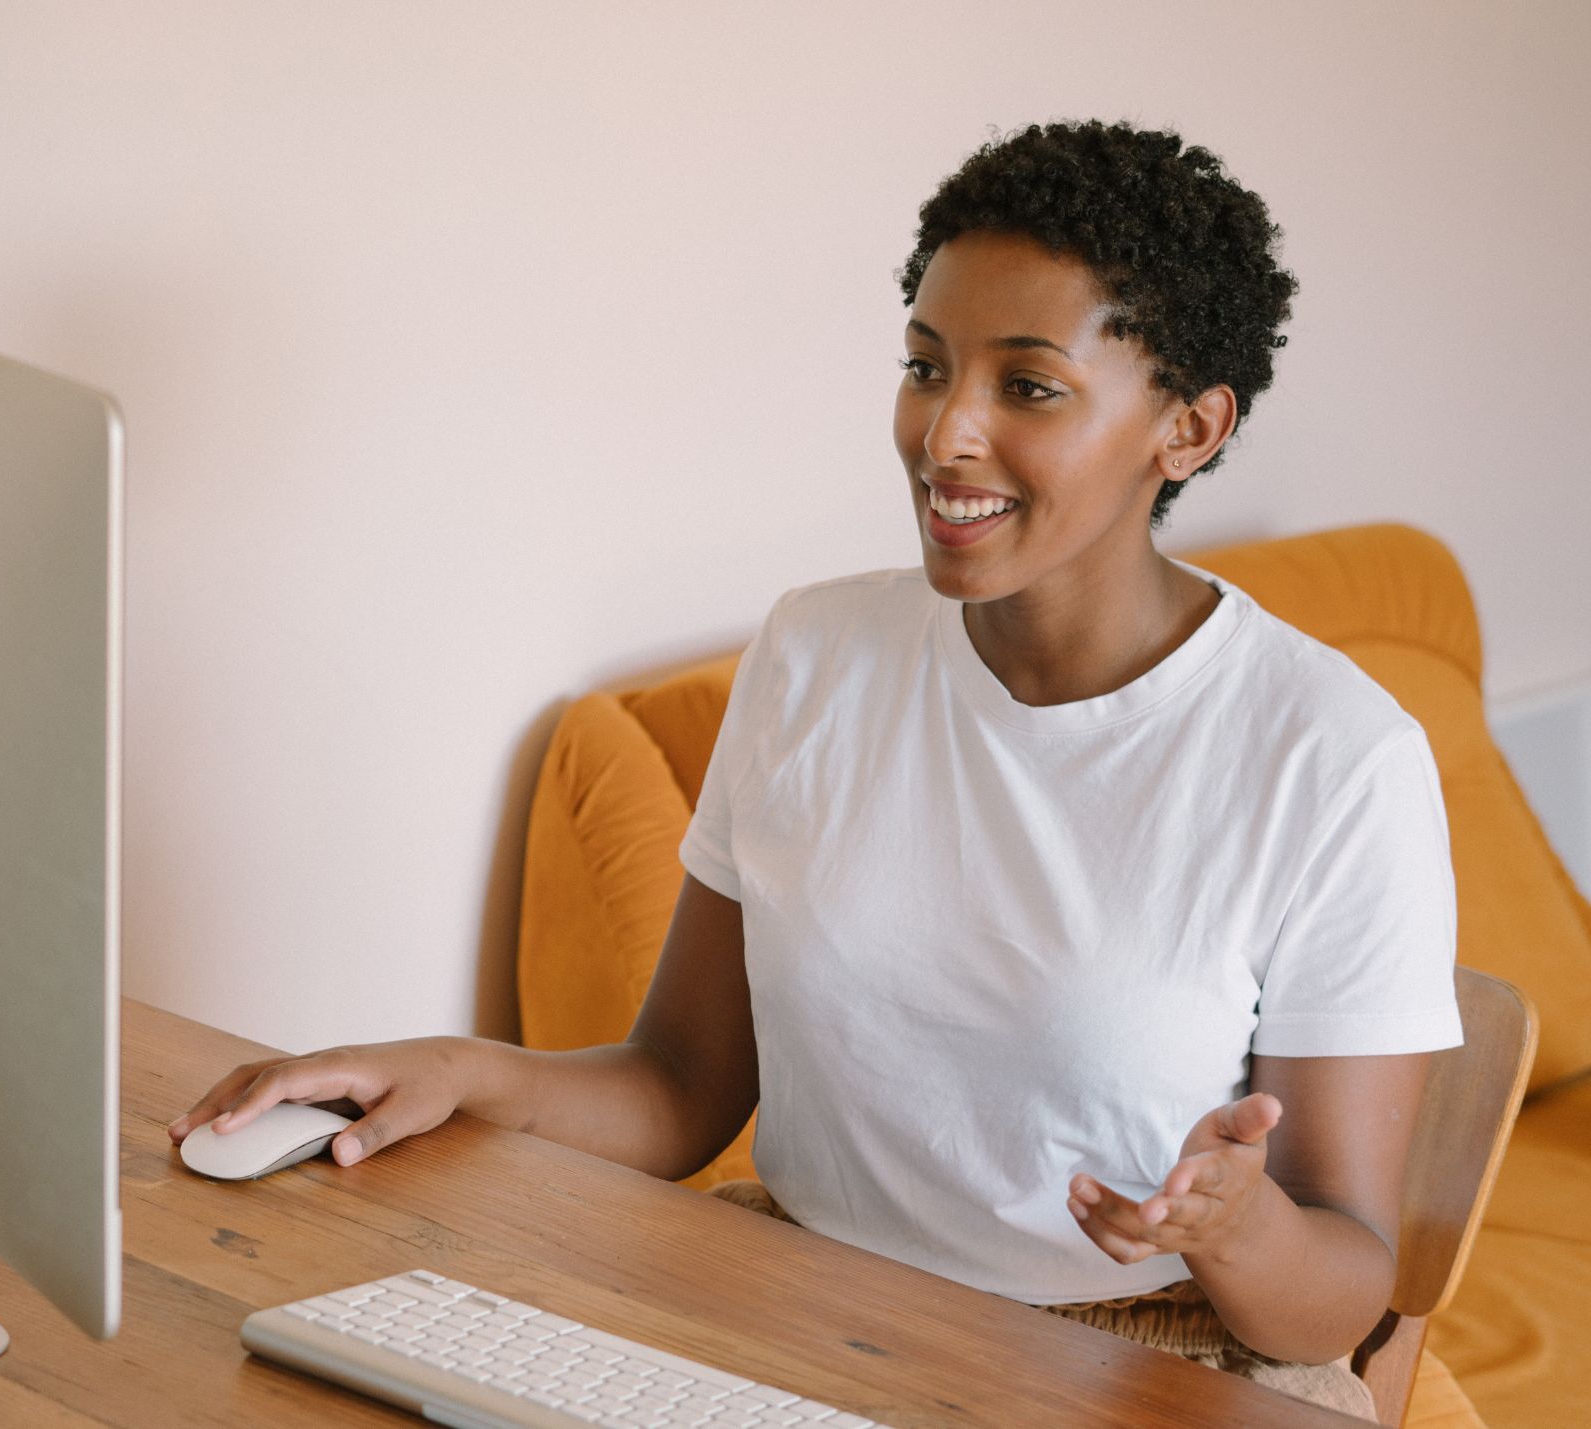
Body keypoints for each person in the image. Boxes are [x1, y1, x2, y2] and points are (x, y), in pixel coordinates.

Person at [171, 120, 1461, 1416]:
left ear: (1187, 428)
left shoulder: (1333, 762)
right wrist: (459, 1071)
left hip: (1151, 1357)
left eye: (1027, 386)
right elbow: (680, 1089)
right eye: (925, 364)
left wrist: (1233, 1229)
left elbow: (1345, 1277)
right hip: (802, 1302)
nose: (945, 433)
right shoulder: (816, 655)